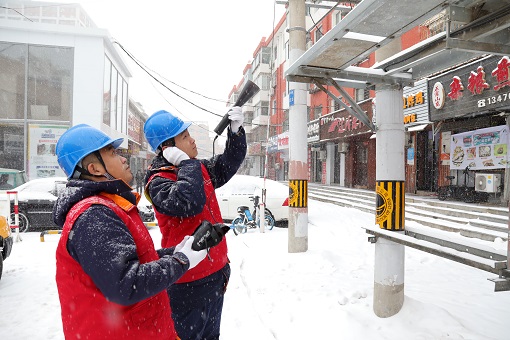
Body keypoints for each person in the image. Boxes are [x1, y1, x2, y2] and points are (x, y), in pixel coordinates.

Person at [53, 123, 208, 339]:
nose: (124, 158)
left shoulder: (109, 207)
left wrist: (173, 252)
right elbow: (126, 284)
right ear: (95, 169)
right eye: (113, 153)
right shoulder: (94, 215)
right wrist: (181, 260)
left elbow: (131, 262)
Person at [143, 107, 246, 340]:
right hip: (187, 283)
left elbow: (228, 163)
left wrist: (236, 132)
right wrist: (185, 164)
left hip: (216, 274)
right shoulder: (158, 182)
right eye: (184, 137)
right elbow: (191, 201)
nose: (192, 140)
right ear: (167, 148)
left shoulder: (197, 168)